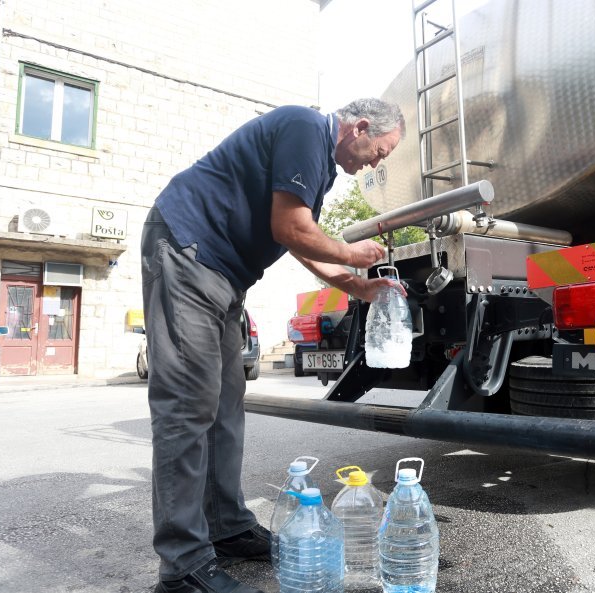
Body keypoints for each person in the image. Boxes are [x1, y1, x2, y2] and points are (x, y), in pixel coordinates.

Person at [140, 98, 405, 593]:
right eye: (380, 151)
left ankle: (227, 526)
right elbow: (293, 228)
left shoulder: (318, 166)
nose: (376, 162)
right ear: (360, 127)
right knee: (187, 406)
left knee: (223, 405)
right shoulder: (307, 128)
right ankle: (182, 566)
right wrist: (352, 251)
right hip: (188, 249)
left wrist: (358, 286)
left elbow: (301, 242)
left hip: (221, 274)